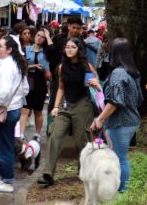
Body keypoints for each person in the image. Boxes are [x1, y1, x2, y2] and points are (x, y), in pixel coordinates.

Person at [38, 37, 100, 186]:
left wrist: (96, 82)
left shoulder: (86, 66)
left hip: (83, 105)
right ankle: (48, 173)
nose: (69, 49)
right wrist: (55, 107)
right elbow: (61, 88)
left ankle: (84, 171)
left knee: (82, 141)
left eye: (73, 47)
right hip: (66, 106)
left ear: (79, 50)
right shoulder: (62, 67)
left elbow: (96, 84)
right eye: (67, 47)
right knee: (55, 135)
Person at [89, 38, 142, 192]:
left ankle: (122, 192)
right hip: (131, 120)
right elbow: (137, 98)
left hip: (120, 123)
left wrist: (100, 119)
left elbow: (115, 102)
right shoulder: (133, 72)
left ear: (115, 53)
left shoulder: (118, 73)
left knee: (119, 159)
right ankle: (120, 190)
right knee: (121, 157)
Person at [0, 36, 29, 193]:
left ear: (10, 49)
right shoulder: (16, 65)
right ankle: (6, 179)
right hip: (13, 109)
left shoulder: (6, 66)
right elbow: (25, 89)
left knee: (2, 147)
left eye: (1, 46)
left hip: (4, 110)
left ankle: (7, 180)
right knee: (6, 145)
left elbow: (3, 92)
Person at [19, 29, 52, 140]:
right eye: (38, 35)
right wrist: (34, 66)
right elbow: (21, 66)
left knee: (38, 110)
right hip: (29, 80)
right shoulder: (26, 49)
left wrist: (48, 36)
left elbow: (48, 69)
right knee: (25, 109)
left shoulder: (47, 52)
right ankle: (21, 134)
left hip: (41, 81)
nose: (39, 38)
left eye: (42, 37)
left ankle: (37, 134)